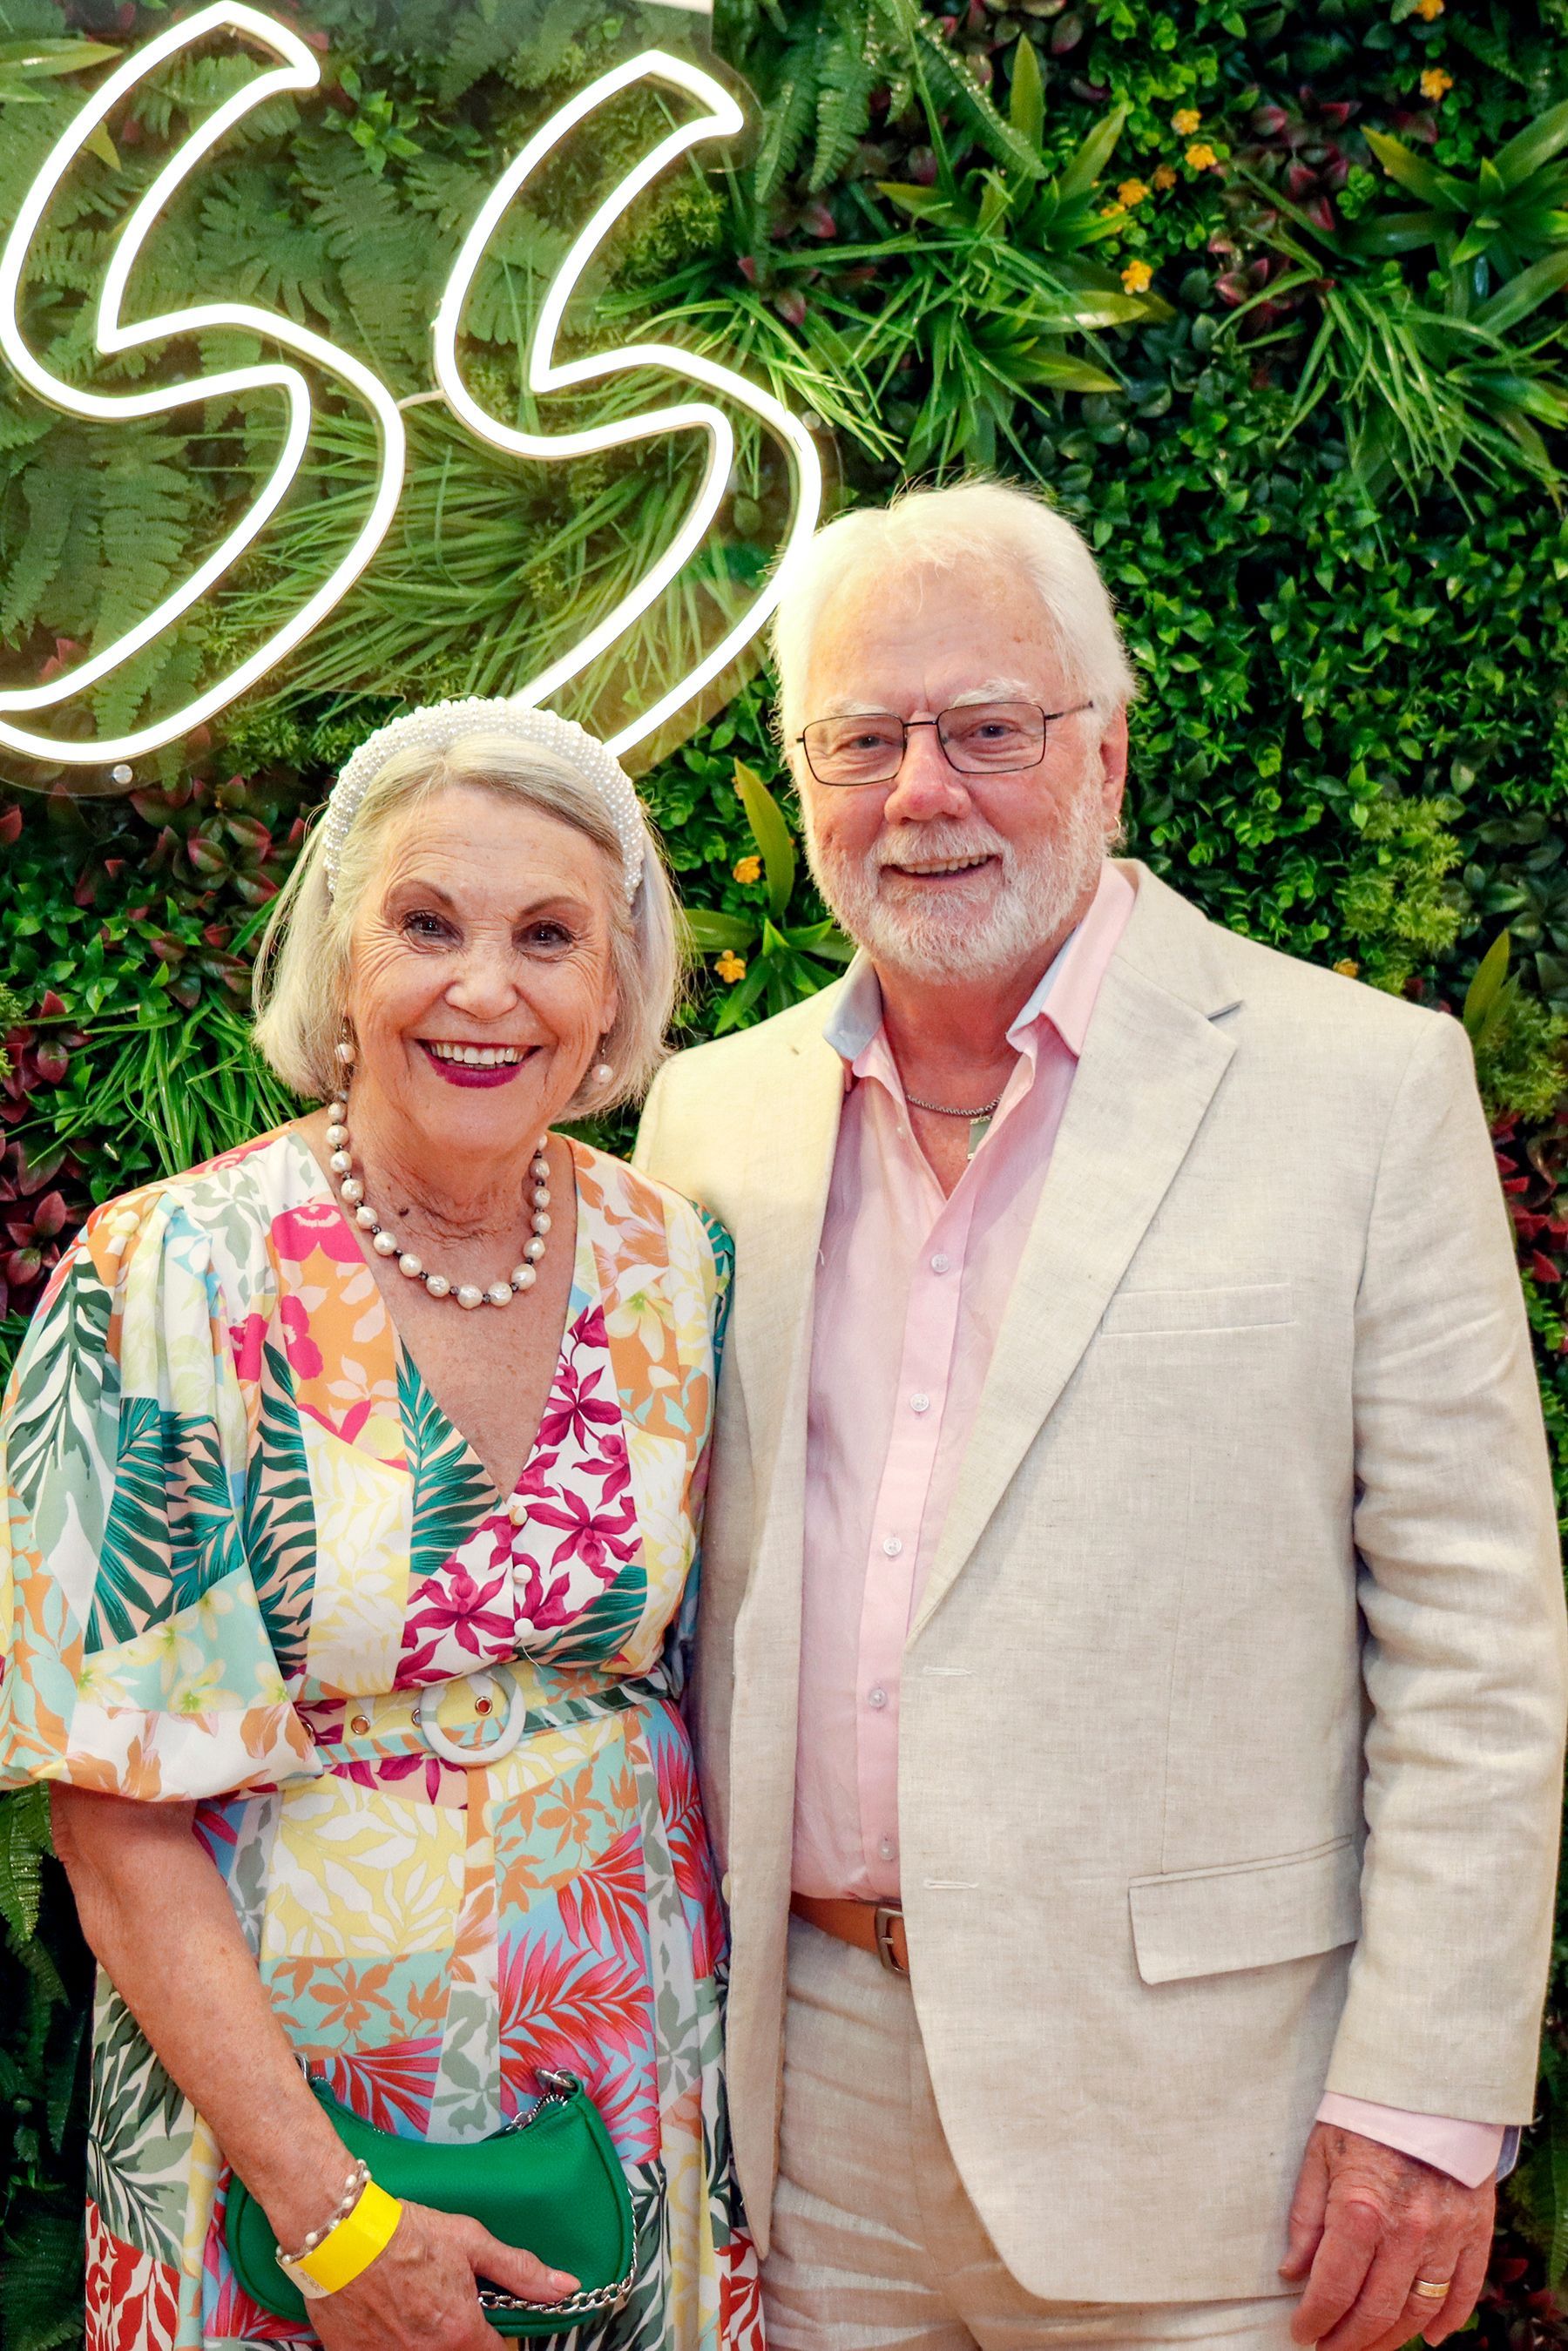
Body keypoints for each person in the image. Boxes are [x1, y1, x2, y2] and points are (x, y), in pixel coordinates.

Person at [633, 482, 1568, 2351]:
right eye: (865, 739)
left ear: (1109, 753)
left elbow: (1477, 1638)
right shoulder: (707, 1126)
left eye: (988, 731)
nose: (924, 794)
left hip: (1221, 2145)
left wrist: (1423, 2105)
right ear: (802, 771)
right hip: (805, 2119)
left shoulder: (1363, 1091)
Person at [0, 700, 762, 2351]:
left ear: (616, 988)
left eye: (549, 937)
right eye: (428, 924)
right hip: (279, 2162)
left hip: (634, 2098)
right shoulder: (171, 1279)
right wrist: (334, 2223)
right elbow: (112, 1815)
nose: (486, 989)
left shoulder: (674, 1268)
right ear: (341, 956)